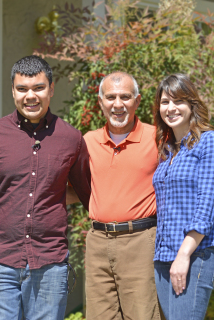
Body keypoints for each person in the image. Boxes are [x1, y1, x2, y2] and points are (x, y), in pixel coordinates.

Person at [0, 55, 91, 320]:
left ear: (51, 88)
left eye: (38, 88)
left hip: (49, 264)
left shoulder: (71, 138)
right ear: (12, 90)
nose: (30, 96)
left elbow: (88, 193)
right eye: (22, 89)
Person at [82, 71, 162, 319]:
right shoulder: (88, 142)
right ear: (101, 102)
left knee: (143, 315)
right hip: (97, 242)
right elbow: (76, 188)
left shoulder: (157, 137)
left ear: (137, 101)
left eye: (125, 97)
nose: (118, 104)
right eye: (111, 97)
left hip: (140, 241)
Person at [152, 74, 214, 319]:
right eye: (165, 102)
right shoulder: (169, 152)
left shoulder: (211, 143)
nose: (171, 108)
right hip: (164, 255)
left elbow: (207, 208)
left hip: (197, 253)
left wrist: (184, 255)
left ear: (192, 105)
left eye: (178, 101)